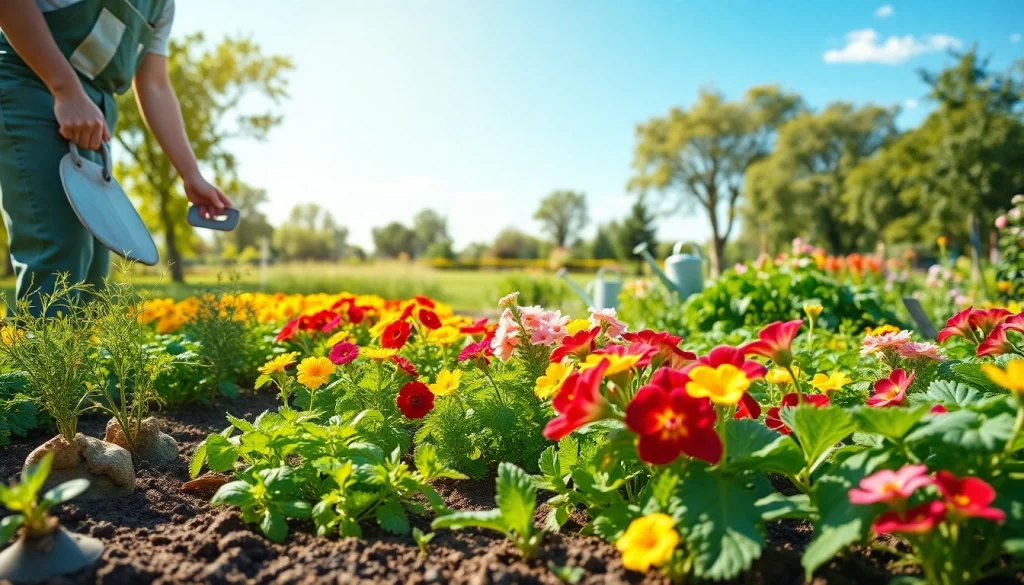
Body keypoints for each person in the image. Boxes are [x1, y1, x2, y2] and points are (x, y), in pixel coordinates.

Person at [0, 0, 230, 312]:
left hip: (93, 115)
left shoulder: (160, 6)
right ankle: (38, 360)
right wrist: (66, 90)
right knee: (59, 253)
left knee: (93, 266)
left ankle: (76, 362)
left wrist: (190, 174)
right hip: (30, 84)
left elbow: (155, 84)